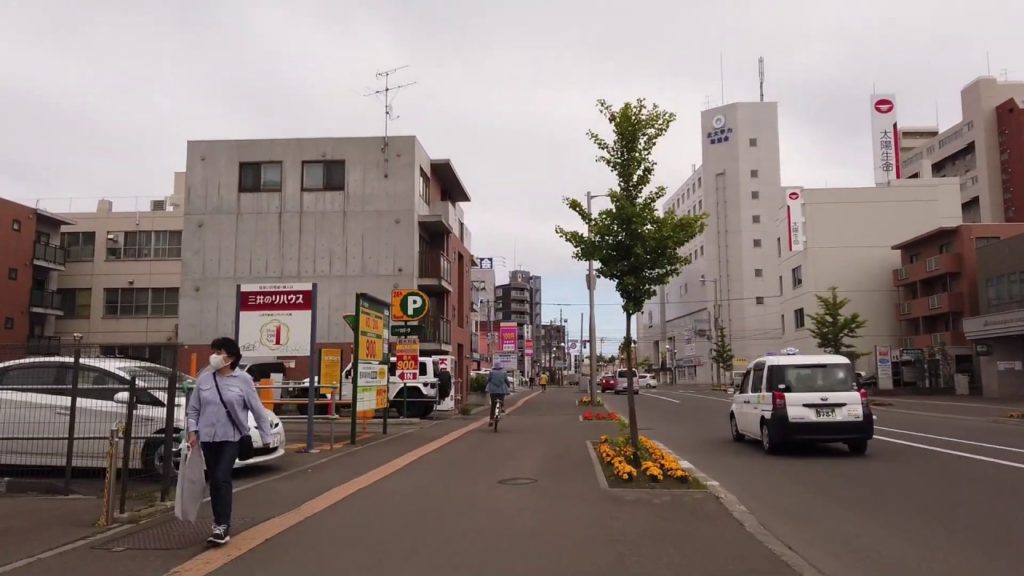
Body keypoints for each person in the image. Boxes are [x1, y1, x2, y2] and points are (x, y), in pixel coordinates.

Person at [186, 337, 272, 546]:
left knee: (222, 476)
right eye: (213, 351)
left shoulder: (243, 380)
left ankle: (222, 526)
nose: (214, 356)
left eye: (219, 351)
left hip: (231, 437)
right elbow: (193, 409)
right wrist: (192, 431)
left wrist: (266, 435)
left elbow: (257, 408)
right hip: (208, 438)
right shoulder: (204, 379)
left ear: (231, 356)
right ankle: (219, 523)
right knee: (215, 479)